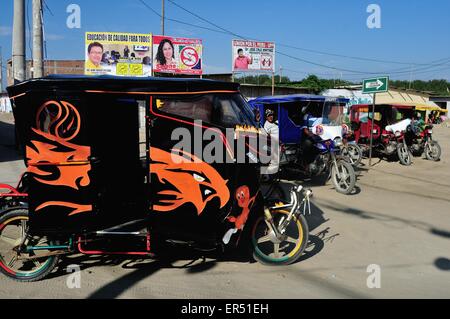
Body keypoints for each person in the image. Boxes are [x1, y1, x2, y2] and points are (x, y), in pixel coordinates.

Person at [263, 109, 280, 176]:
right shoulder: (266, 125)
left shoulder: (277, 122)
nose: (271, 117)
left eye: (272, 115)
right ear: (266, 117)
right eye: (269, 115)